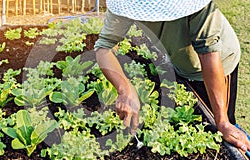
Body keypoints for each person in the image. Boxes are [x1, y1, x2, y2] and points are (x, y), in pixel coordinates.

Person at [94, 0, 250, 152]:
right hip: (180, 60)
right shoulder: (126, 4)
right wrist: (125, 89)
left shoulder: (197, 6)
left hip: (218, 62)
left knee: (220, 129)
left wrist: (222, 121)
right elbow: (104, 48)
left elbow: (208, 53)